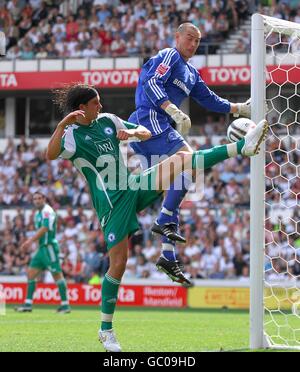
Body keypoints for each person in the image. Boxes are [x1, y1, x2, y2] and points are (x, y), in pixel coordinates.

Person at [46, 83, 267, 352]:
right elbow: (51, 153)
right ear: (81, 109)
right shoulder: (71, 135)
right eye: (96, 103)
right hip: (112, 204)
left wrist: (131, 133)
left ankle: (242, 147)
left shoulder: (107, 121)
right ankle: (106, 330)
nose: (101, 106)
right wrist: (62, 124)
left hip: (133, 186)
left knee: (183, 158)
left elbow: (145, 131)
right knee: (118, 265)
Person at [128, 22, 251, 283]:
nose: (193, 44)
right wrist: (171, 108)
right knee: (189, 159)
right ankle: (163, 220)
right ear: (177, 36)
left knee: (179, 178)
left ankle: (167, 255)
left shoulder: (192, 73)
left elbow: (209, 99)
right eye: (189, 38)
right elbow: (149, 81)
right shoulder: (169, 55)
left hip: (159, 126)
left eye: (197, 41)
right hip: (148, 120)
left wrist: (238, 108)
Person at [15, 191, 71, 314]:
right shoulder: (38, 213)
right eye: (35, 199)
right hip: (41, 248)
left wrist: (30, 241)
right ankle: (28, 304)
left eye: (39, 198)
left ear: (44, 199)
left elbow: (45, 228)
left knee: (57, 275)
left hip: (49, 247)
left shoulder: (47, 211)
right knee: (31, 273)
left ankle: (65, 305)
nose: (37, 201)